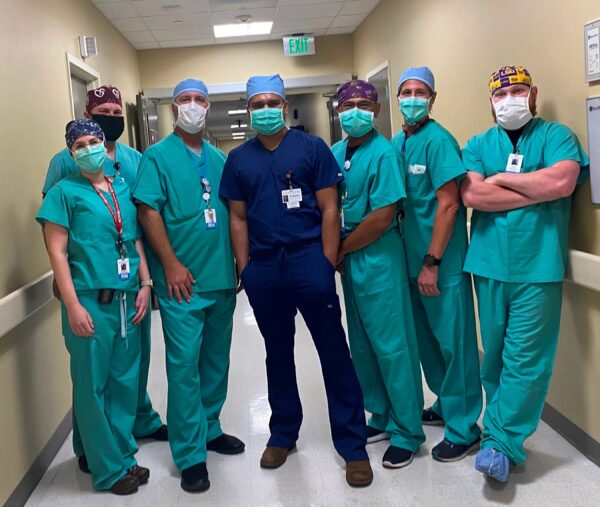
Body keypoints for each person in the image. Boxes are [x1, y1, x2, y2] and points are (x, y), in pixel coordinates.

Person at [220, 74, 373, 488]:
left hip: (309, 258)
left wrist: (325, 263)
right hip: (265, 267)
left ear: (285, 106)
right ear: (249, 109)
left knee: (333, 351)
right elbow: (236, 217)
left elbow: (329, 208)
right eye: (257, 104)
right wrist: (245, 268)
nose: (266, 109)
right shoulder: (239, 159)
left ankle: (353, 446)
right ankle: (283, 433)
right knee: (277, 352)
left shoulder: (312, 149)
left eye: (273, 102)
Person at [460, 66, 589, 482]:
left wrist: (501, 182)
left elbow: (563, 182)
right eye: (501, 94)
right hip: (489, 264)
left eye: (518, 91)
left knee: (526, 360)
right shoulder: (478, 144)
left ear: (533, 94)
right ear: (491, 101)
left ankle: (500, 442)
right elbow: (473, 194)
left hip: (538, 266)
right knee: (493, 356)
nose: (509, 99)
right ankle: (502, 433)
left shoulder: (557, 136)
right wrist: (530, 189)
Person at [41, 86, 166, 475]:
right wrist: (71, 299)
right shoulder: (63, 188)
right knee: (93, 385)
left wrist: (146, 284)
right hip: (89, 295)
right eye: (82, 143)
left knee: (124, 381)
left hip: (128, 295)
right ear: (71, 151)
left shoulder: (122, 182)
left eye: (96, 141)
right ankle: (105, 464)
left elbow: (134, 236)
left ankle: (121, 454)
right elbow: (57, 249)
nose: (92, 147)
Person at [133, 78, 244, 493]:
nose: (194, 106)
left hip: (220, 278)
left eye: (200, 99)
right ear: (174, 107)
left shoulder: (219, 159)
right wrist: (172, 265)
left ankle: (209, 427)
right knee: (183, 369)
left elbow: (235, 214)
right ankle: (190, 454)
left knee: (216, 362)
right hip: (180, 283)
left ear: (208, 106)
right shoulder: (156, 157)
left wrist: (239, 266)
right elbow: (148, 211)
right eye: (185, 99)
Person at [330, 80, 425, 469]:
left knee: (393, 346)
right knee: (364, 346)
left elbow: (383, 216)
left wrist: (341, 249)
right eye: (347, 104)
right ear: (338, 111)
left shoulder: (384, 153)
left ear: (376, 110)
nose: (354, 110)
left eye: (362, 104)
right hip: (350, 259)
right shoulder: (335, 153)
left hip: (377, 256)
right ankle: (381, 415)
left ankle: (407, 431)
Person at [391, 67, 482, 462]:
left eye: (420, 92)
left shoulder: (439, 141)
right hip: (408, 262)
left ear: (432, 99)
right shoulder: (397, 142)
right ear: (396, 98)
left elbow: (448, 204)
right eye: (406, 91)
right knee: (427, 344)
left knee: (455, 345)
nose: (412, 98)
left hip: (440, 264)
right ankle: (445, 403)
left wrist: (431, 262)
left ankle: (465, 428)